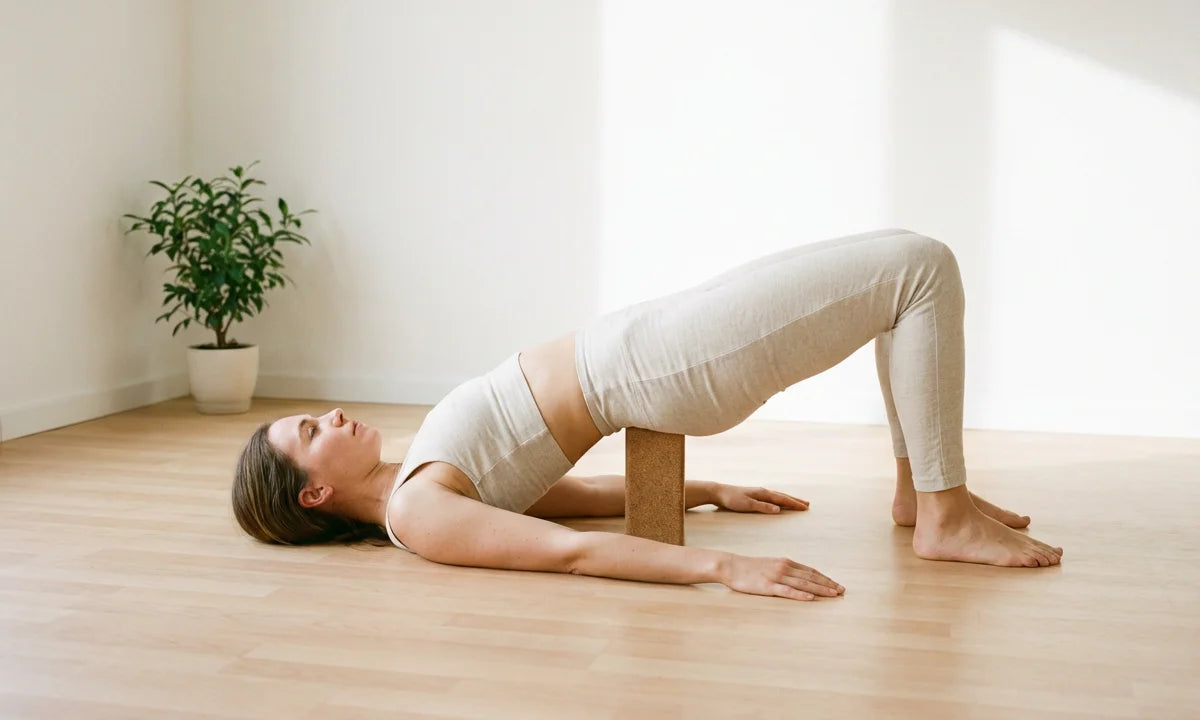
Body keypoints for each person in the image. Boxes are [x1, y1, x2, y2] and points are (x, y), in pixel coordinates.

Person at [232, 228, 1063, 601]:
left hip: (644, 343)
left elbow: (557, 500)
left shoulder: (418, 489)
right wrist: (721, 570)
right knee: (917, 267)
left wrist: (707, 491)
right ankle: (942, 512)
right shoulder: (417, 514)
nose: (331, 416)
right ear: (311, 495)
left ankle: (925, 495)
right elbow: (571, 555)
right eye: (310, 433)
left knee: (903, 271)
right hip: (658, 364)